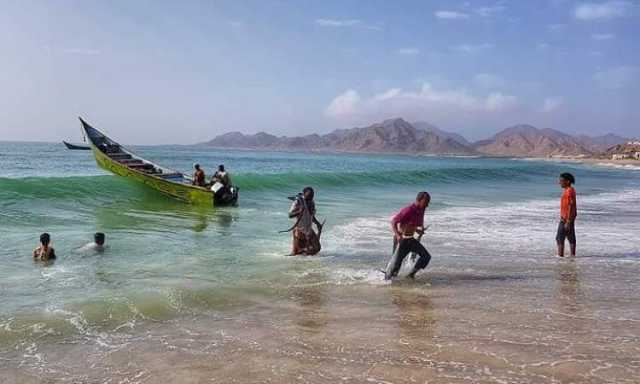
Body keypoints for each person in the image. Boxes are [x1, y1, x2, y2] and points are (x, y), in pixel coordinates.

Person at [385, 192, 432, 280]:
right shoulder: (408, 210)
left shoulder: (422, 209)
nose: (427, 205)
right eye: (426, 202)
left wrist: (418, 230)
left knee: (426, 257)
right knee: (395, 267)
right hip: (401, 241)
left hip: (410, 240)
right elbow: (394, 222)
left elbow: (411, 224)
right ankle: (386, 283)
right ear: (419, 200)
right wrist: (398, 235)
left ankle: (410, 275)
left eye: (428, 202)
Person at [288, 187, 323, 255]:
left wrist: (317, 223)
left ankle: (303, 251)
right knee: (295, 253)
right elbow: (290, 215)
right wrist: (299, 211)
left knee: (317, 248)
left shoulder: (312, 202)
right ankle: (300, 251)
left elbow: (311, 216)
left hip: (308, 229)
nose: (310, 199)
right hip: (299, 230)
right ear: (304, 194)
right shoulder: (298, 202)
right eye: (308, 196)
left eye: (312, 196)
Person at [557, 172, 577, 257]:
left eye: (561, 180)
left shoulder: (569, 191)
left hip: (566, 219)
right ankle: (572, 256)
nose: (559, 182)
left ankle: (560, 257)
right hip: (568, 218)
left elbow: (570, 206)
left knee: (559, 238)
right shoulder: (569, 190)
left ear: (567, 181)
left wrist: (568, 221)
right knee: (570, 237)